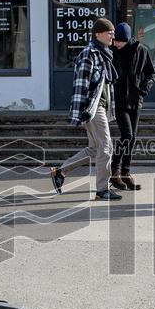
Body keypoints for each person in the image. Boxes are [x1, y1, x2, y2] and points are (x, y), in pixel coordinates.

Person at [50, 18, 122, 201]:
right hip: (92, 107)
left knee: (94, 148)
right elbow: (80, 85)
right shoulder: (89, 54)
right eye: (109, 32)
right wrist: (81, 111)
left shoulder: (105, 54)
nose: (112, 35)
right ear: (98, 34)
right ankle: (102, 190)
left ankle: (60, 171)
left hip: (102, 107)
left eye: (113, 33)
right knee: (106, 147)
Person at [110, 22, 155, 191]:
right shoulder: (112, 52)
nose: (116, 43)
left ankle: (125, 173)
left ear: (128, 40)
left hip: (136, 101)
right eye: (115, 40)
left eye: (120, 41)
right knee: (127, 135)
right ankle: (115, 171)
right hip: (119, 101)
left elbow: (151, 72)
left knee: (132, 138)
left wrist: (143, 90)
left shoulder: (141, 50)